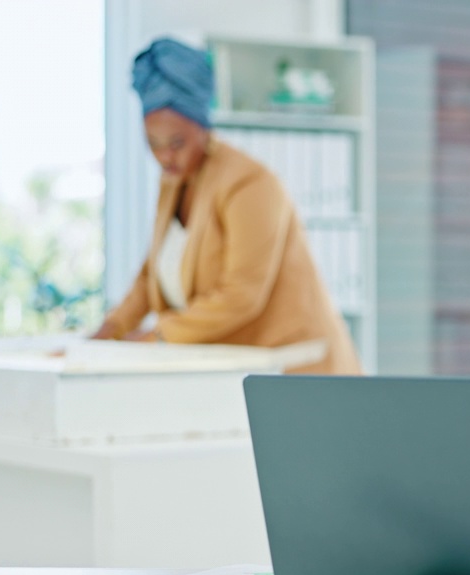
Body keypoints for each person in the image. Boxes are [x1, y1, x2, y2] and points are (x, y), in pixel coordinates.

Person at [92, 37, 360, 375]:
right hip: (235, 371)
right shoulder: (174, 181)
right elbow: (152, 276)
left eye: (176, 143)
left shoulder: (249, 183)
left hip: (297, 370)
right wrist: (110, 330)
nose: (164, 157)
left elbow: (241, 294)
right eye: (153, 143)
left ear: (203, 127)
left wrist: (156, 337)